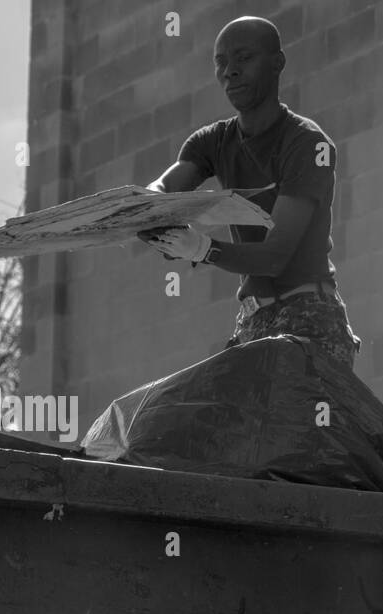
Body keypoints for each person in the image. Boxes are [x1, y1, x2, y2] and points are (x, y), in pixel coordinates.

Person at [138, 15, 362, 368]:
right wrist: (146, 207)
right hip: (253, 323)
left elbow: (275, 256)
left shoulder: (306, 144)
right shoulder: (213, 141)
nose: (230, 71)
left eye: (244, 58)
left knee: (294, 420)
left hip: (309, 322)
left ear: (277, 63)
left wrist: (201, 248)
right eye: (221, 62)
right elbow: (167, 186)